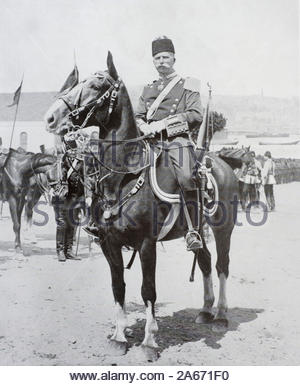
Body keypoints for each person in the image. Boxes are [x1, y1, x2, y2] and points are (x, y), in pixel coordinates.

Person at [134, 36, 203, 251]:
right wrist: (143, 125)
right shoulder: (148, 88)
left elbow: (195, 115)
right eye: (157, 58)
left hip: (176, 141)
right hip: (149, 140)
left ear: (174, 58)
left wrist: (162, 124)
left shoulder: (188, 85)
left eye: (165, 57)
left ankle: (193, 229)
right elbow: (138, 115)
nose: (161, 61)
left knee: (185, 175)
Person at [52, 132, 90, 262]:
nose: (73, 150)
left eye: (75, 146)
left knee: (72, 223)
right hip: (61, 197)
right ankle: (60, 251)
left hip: (75, 197)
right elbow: (56, 177)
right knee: (62, 223)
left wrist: (86, 196)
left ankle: (69, 250)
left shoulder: (81, 160)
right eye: (71, 146)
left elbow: (85, 179)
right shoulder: (60, 160)